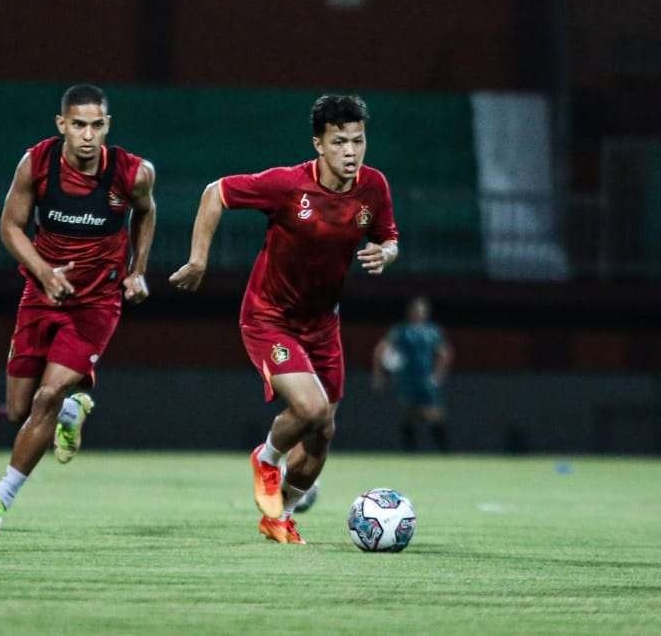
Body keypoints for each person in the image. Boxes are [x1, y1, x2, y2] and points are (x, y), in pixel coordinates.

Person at [169, 94, 398, 545]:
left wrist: (386, 253)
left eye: (358, 140)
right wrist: (198, 260)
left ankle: (281, 515)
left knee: (323, 433)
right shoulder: (287, 186)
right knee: (309, 408)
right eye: (339, 142)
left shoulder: (374, 187)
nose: (351, 152)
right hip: (269, 318)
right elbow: (215, 192)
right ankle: (267, 457)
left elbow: (389, 236)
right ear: (318, 144)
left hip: (323, 325)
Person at [0, 84, 156, 529]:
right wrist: (44, 271)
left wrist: (137, 269)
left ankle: (0, 499)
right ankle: (72, 411)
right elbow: (10, 228)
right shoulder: (36, 164)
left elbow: (146, 212)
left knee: (48, 394)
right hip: (41, 295)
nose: (87, 135)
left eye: (96, 125)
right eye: (78, 125)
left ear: (107, 125)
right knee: (19, 408)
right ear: (62, 125)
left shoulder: (133, 174)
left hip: (97, 303)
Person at [372, 296, 454, 452]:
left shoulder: (433, 331)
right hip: (407, 379)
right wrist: (379, 374)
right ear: (409, 312)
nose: (418, 313)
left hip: (426, 379)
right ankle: (410, 452)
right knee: (408, 413)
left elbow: (445, 353)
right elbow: (380, 350)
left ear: (426, 313)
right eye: (415, 310)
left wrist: (438, 375)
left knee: (434, 413)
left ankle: (444, 450)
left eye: (421, 310)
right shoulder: (401, 330)